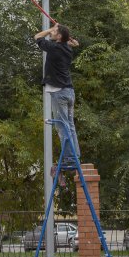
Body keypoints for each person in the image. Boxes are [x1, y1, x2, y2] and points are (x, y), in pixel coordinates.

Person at [34, 23, 80, 184]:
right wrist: (61, 32)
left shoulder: (54, 48)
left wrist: (49, 30)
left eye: (55, 32)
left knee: (63, 126)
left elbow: (37, 37)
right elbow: (75, 43)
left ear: (59, 37)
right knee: (70, 126)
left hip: (60, 93)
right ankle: (74, 157)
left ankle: (69, 159)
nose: (52, 33)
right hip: (69, 92)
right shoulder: (67, 49)